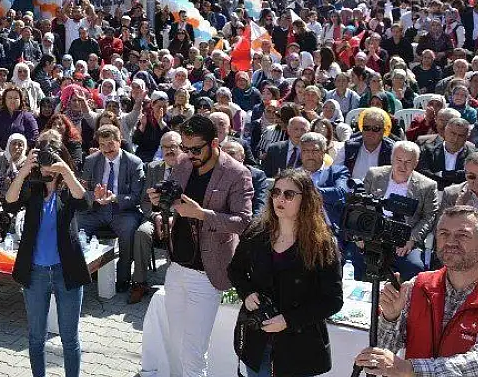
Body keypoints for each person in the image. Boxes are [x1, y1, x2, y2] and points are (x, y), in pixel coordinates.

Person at [141, 115, 252, 377]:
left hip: (207, 272)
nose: (190, 155)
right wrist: (159, 202)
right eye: (185, 148)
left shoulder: (237, 173)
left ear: (215, 143)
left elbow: (244, 223)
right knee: (177, 344)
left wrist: (203, 214)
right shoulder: (182, 163)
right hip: (177, 265)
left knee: (193, 352)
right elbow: (174, 203)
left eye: (196, 149)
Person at [355, 206, 478, 376]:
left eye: (462, 235)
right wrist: (390, 318)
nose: (450, 241)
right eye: (443, 233)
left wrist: (408, 369)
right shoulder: (418, 285)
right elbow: (383, 351)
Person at [228, 170, 344, 377]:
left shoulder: (323, 244)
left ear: (306, 200)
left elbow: (333, 300)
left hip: (298, 347)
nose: (280, 199)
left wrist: (289, 320)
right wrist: (246, 293)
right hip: (257, 340)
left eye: (289, 194)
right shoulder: (257, 231)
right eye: (276, 192)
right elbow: (235, 270)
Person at [3, 131, 89, 377]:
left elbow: (84, 201)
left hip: (67, 271)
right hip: (36, 273)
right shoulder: (31, 189)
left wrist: (65, 171)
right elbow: (9, 203)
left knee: (69, 338)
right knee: (36, 337)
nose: (48, 168)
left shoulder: (67, 188)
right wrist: (23, 171)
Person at [354, 142, 439, 281]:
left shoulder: (428, 186)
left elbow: (430, 216)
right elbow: (359, 205)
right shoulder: (374, 174)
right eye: (399, 160)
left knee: (415, 267)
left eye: (408, 162)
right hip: (372, 235)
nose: (402, 166)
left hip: (404, 239)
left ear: (416, 163)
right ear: (392, 159)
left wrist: (412, 239)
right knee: (356, 259)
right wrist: (360, 234)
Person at [78, 125, 145, 295]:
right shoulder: (91, 160)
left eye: (110, 144)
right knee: (75, 226)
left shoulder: (134, 163)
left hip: (122, 211)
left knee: (129, 230)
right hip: (97, 210)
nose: (107, 149)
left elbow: (136, 197)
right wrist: (95, 196)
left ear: (119, 140)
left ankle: (123, 279)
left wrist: (114, 198)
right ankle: (83, 272)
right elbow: (82, 190)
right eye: (102, 145)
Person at [130, 130, 181, 304]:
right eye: (165, 147)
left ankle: (175, 285)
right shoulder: (153, 167)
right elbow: (144, 199)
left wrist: (175, 216)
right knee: (141, 233)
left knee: (179, 236)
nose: (170, 150)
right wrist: (154, 215)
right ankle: (139, 282)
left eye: (173, 146)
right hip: (155, 216)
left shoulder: (188, 168)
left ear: (181, 147)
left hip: (180, 218)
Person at [298, 132, 350, 232]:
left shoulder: (336, 172)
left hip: (330, 230)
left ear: (323, 152)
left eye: (315, 150)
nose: (310, 154)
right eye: (306, 151)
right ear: (301, 153)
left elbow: (342, 193)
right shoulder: (292, 176)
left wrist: (308, 192)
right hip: (299, 231)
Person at [333, 107, 394, 181]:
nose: (370, 132)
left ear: (383, 131)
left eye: (376, 129)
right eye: (366, 128)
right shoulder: (348, 147)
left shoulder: (392, 150)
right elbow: (334, 172)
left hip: (381, 191)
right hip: (352, 190)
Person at [417, 117, 476, 190]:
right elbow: (424, 175)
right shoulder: (429, 151)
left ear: (467, 137)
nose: (455, 139)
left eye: (460, 136)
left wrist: (442, 174)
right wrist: (456, 176)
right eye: (453, 133)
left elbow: (471, 175)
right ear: (445, 132)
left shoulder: (473, 155)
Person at [0, 87, 39, 152]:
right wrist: (1, 152)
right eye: (9, 98)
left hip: (23, 155)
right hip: (0, 155)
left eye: (16, 98)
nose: (12, 101)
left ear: (21, 100)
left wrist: (21, 152)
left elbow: (34, 137)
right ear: (5, 100)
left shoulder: (28, 117)